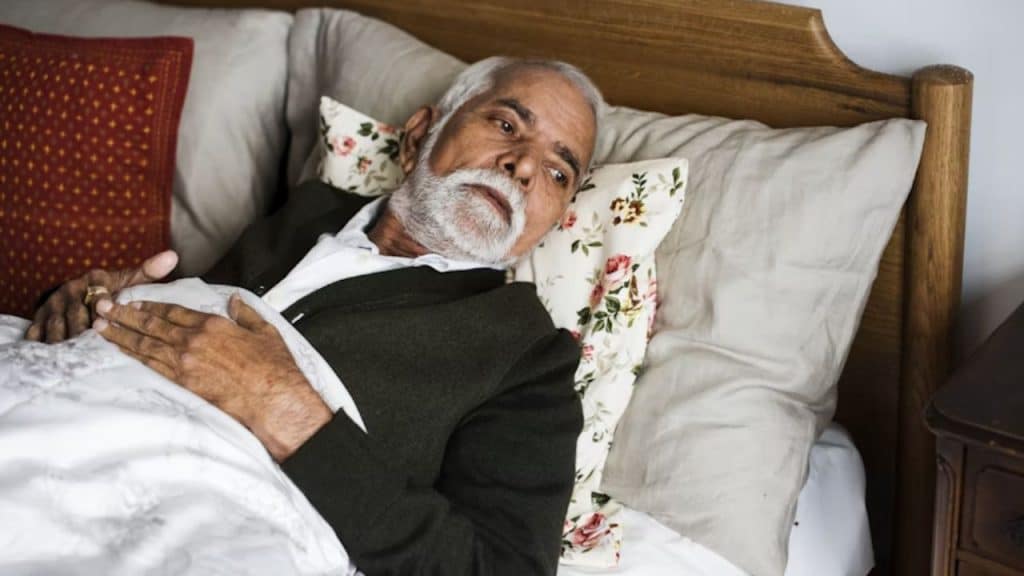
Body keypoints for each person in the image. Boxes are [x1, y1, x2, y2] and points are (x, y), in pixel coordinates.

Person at [25, 57, 601, 575]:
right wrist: (96, 303)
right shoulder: (309, 209)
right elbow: (194, 327)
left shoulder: (527, 357)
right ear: (420, 136)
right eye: (506, 125)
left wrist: (293, 416)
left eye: (558, 173)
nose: (524, 167)